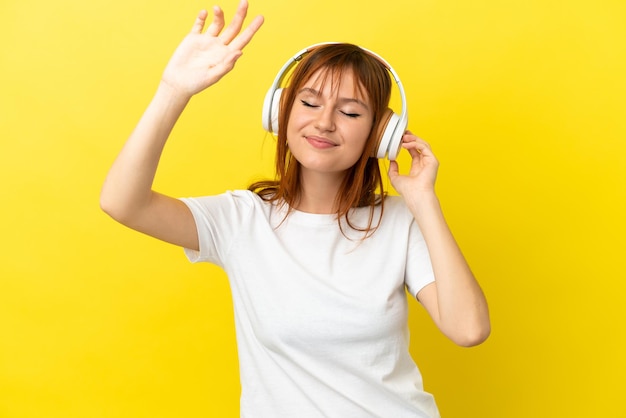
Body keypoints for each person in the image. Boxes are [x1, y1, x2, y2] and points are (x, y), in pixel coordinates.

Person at [100, 1, 490, 417]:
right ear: (280, 112)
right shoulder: (242, 220)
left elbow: (468, 329)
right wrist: (173, 90)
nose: (324, 122)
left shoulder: (401, 222)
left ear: (380, 135)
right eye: (309, 102)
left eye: (351, 111)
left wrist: (424, 201)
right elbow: (123, 203)